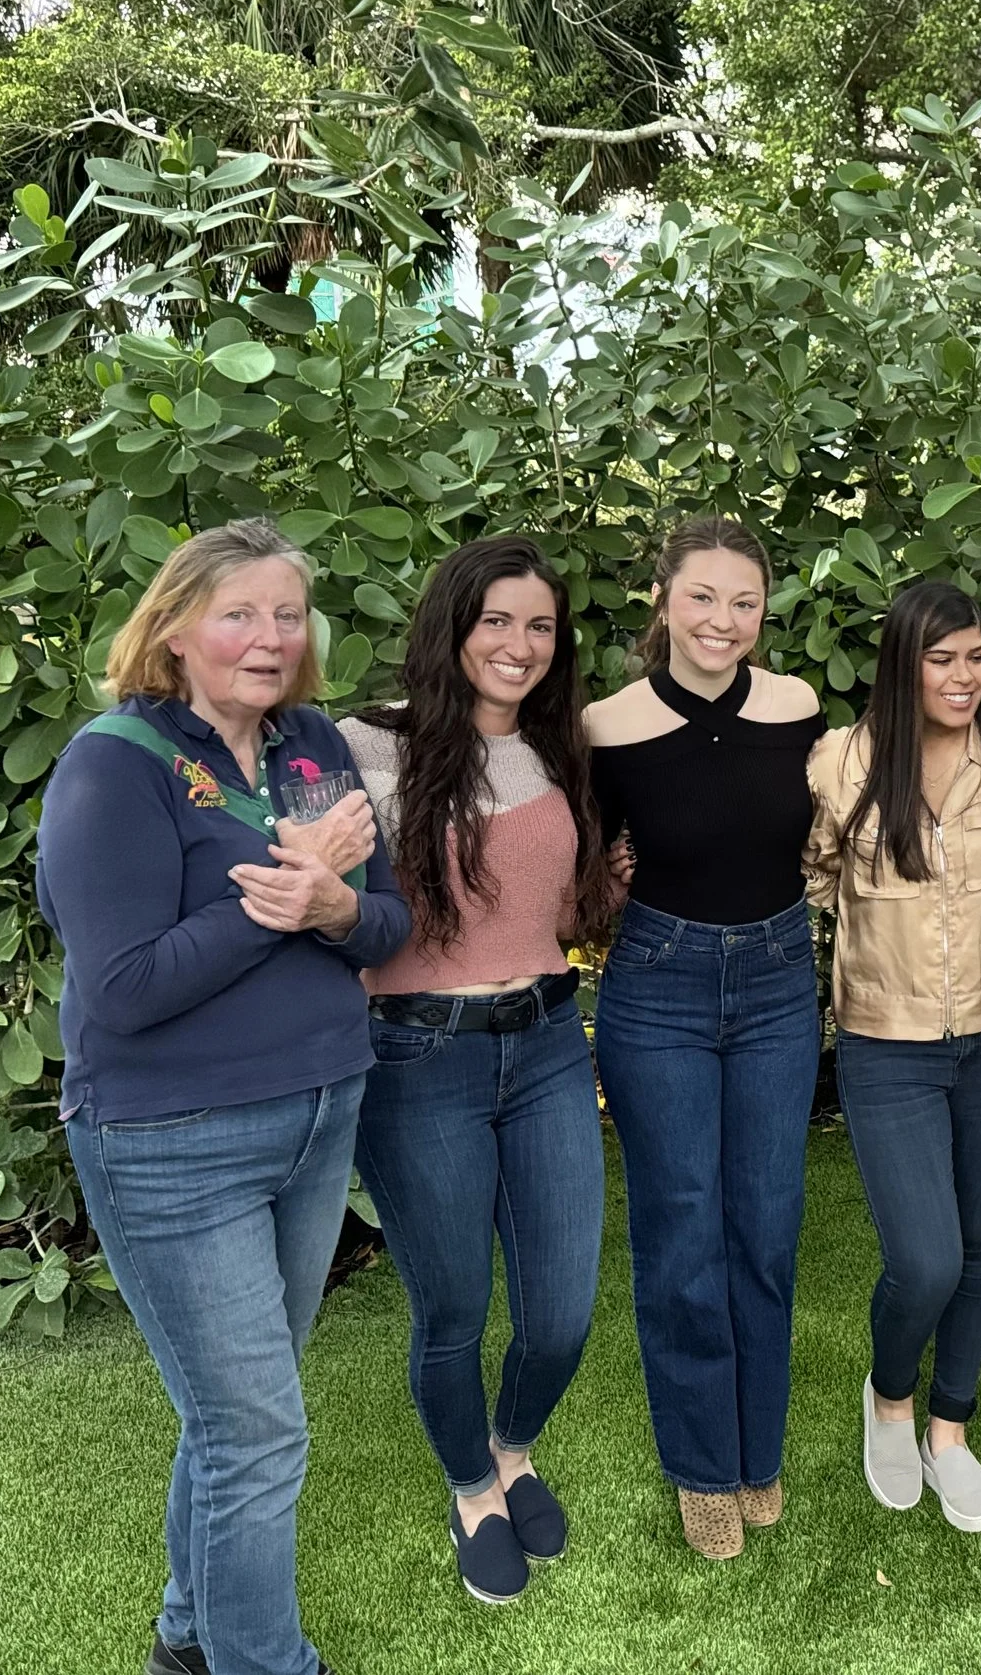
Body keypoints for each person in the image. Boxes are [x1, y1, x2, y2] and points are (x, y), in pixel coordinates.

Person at [37, 518, 409, 1675]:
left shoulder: (311, 748)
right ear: (177, 631)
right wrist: (290, 895)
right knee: (255, 1430)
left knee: (236, 1413)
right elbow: (129, 986)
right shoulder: (116, 763)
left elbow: (386, 924)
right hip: (173, 1142)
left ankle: (189, 1638)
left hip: (317, 1117)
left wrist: (338, 907)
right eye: (238, 614)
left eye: (287, 615)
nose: (269, 637)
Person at [339, 537, 621, 1604]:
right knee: (452, 1309)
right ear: (452, 625)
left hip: (549, 1045)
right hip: (416, 1060)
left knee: (559, 1313)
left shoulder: (561, 752)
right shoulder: (366, 746)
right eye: (496, 620)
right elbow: (340, 908)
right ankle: (472, 1488)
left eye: (539, 626)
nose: (518, 644)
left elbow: (555, 910)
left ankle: (513, 1444)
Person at [585, 516, 828, 1560]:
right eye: (702, 597)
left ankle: (754, 1450)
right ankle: (699, 1467)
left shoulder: (797, 709)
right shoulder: (608, 726)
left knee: (766, 1229)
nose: (723, 620)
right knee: (682, 1236)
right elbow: (584, 874)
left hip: (778, 982)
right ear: (663, 601)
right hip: (659, 990)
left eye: (744, 600)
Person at [803, 581, 981, 1536]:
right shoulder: (841, 762)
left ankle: (949, 1427)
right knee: (927, 1256)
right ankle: (889, 1397)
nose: (962, 675)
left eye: (975, 655)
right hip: (883, 1041)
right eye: (940, 658)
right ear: (903, 663)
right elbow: (812, 881)